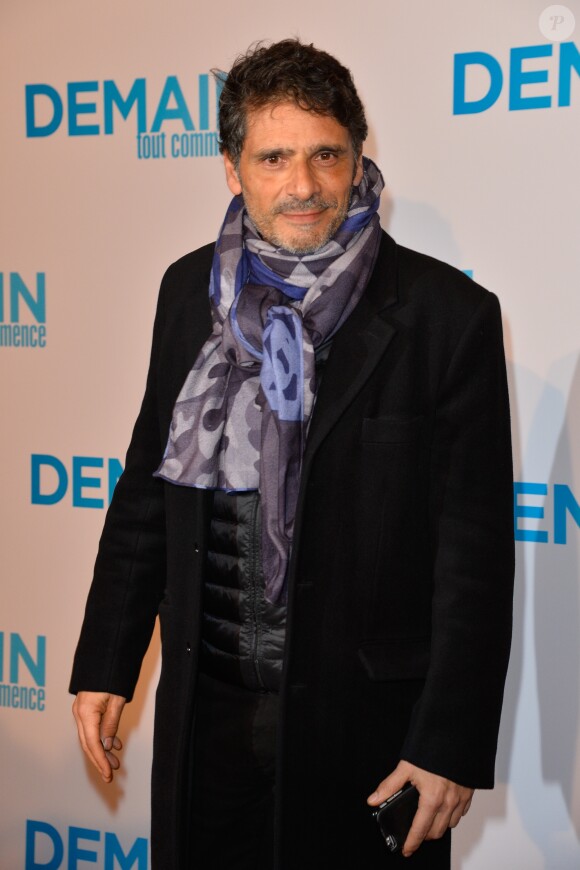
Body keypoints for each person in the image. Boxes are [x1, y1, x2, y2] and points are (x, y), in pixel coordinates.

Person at [70, 38, 514, 870]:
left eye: (325, 155)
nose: (303, 185)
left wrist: (449, 739)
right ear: (233, 169)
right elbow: (145, 488)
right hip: (210, 717)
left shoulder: (445, 315)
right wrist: (107, 660)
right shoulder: (187, 290)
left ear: (356, 159)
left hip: (367, 734)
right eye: (274, 157)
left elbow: (475, 553)